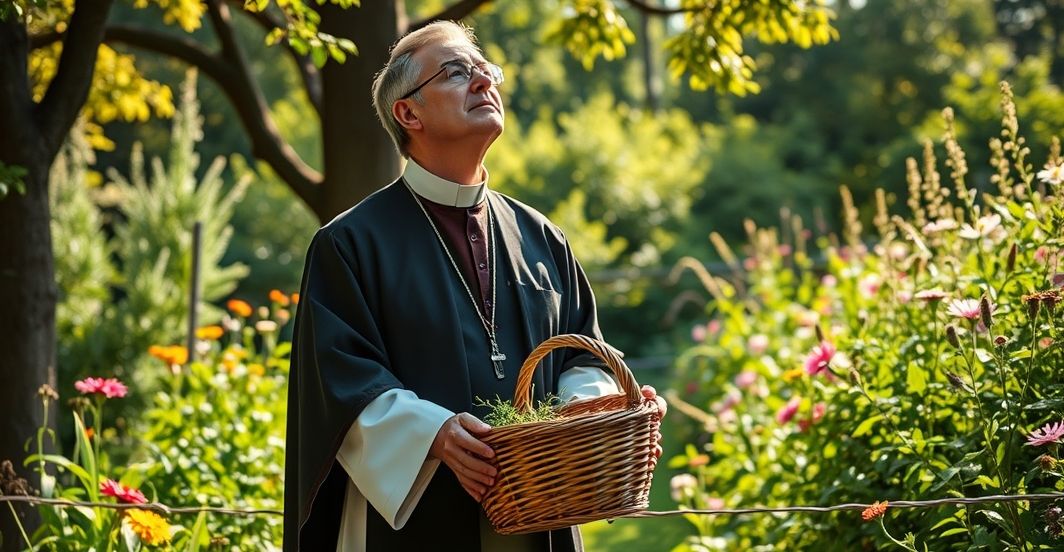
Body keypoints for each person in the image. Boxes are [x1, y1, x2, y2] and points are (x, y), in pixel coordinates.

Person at [282, 20, 665, 552]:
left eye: (487, 71)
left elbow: (585, 352)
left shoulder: (541, 236)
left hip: (539, 516)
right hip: (411, 523)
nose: (484, 82)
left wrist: (596, 406)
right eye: (459, 72)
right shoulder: (349, 244)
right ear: (408, 112)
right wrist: (431, 433)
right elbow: (339, 379)